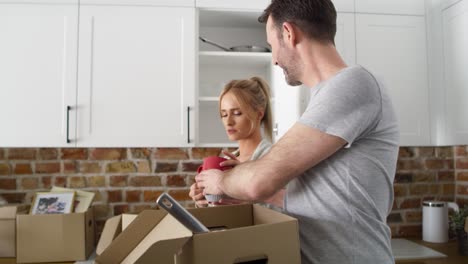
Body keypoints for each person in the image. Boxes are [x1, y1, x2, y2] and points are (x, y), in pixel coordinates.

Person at [194, 0, 400, 263]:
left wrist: (220, 182)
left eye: (272, 45)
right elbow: (324, 200)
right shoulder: (326, 97)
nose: (274, 58)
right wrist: (238, 193)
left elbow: (259, 181)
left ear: (289, 34)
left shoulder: (352, 84)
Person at [189, 76, 281, 207]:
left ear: (259, 114)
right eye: (224, 114)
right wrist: (203, 201)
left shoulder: (273, 157)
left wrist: (244, 177)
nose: (228, 122)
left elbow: (285, 211)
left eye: (237, 113)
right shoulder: (226, 160)